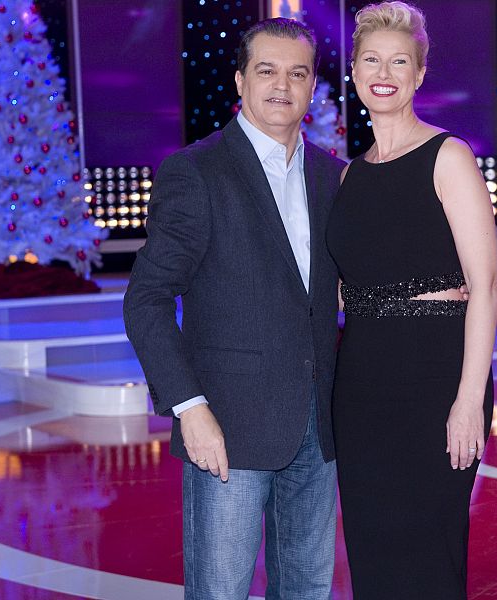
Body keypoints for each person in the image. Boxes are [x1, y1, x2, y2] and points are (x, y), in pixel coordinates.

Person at [123, 18, 345, 600]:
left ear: (313, 86)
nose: (282, 85)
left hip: (317, 430)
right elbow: (145, 299)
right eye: (267, 70)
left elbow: (336, 292)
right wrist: (188, 408)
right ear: (240, 81)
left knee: (307, 589)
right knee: (220, 591)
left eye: (297, 73)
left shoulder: (332, 175)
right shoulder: (196, 172)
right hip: (226, 431)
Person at [326, 2, 497, 598]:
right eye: (371, 59)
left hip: (437, 378)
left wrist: (469, 402)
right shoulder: (349, 177)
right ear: (353, 70)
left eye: (400, 61)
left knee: (429, 546)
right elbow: (349, 282)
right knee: (372, 547)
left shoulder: (449, 157)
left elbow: (487, 285)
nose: (385, 71)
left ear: (419, 74)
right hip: (363, 383)